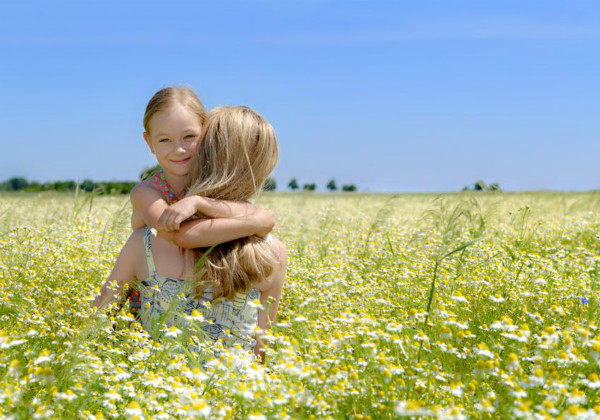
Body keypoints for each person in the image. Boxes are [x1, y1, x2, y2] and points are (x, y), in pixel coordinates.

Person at [93, 106, 287, 362]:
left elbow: (97, 318)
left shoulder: (146, 243)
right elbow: (262, 350)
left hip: (156, 394)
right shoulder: (274, 251)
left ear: (204, 155)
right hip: (235, 396)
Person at [126, 87, 276, 317]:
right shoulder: (147, 192)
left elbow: (242, 208)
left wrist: (200, 202)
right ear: (149, 142)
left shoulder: (207, 188)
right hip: (150, 305)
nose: (179, 149)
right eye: (165, 140)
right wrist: (254, 223)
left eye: (190, 137)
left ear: (206, 135)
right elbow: (179, 235)